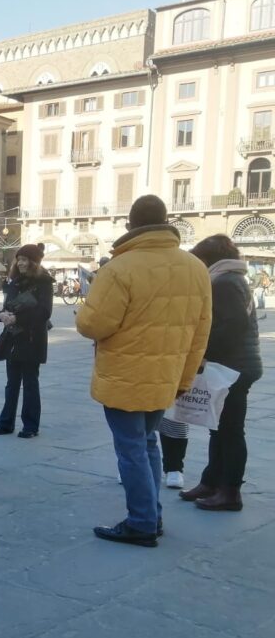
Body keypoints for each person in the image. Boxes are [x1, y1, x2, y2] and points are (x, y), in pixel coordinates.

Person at [76, 194, 212, 547]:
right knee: (147, 443)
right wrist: (185, 378)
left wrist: (85, 307)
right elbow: (201, 331)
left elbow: (92, 325)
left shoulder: (119, 268)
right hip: (167, 375)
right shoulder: (195, 267)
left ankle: (141, 522)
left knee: (131, 449)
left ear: (130, 225)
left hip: (125, 376)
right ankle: (152, 514)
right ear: (166, 222)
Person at [179, 234, 263, 512]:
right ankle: (211, 482)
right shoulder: (232, 279)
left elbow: (233, 325)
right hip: (237, 364)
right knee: (219, 427)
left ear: (208, 260)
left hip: (233, 367)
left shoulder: (224, 282)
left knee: (229, 430)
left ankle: (230, 491)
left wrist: (203, 348)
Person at [0, 243, 54, 438]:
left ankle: (31, 426)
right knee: (12, 383)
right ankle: (6, 423)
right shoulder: (14, 282)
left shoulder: (44, 282)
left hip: (32, 339)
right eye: (19, 260)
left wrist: (18, 318)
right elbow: (6, 307)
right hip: (13, 338)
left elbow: (44, 312)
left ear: (34, 262)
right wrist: (1, 315)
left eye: (24, 260)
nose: (20, 263)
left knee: (30, 382)